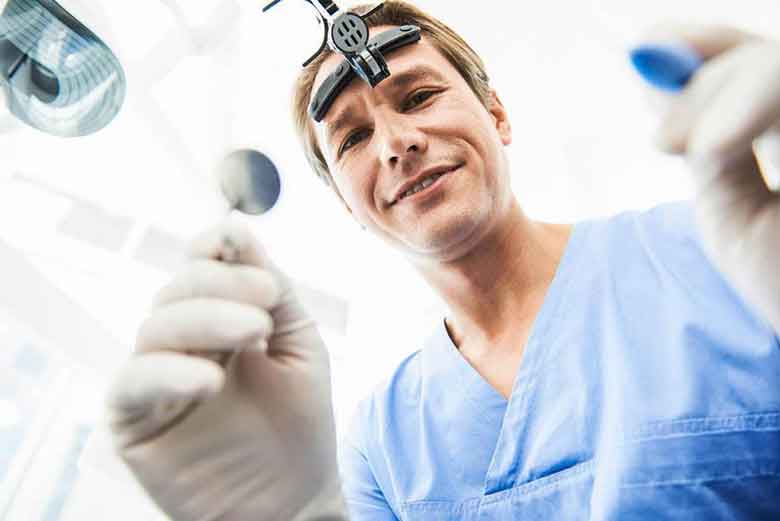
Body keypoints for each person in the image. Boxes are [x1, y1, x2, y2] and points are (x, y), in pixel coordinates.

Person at [105, 1, 780, 519]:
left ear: (497, 113)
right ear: (346, 204)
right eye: (353, 138)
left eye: (420, 97)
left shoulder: (722, 254)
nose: (397, 143)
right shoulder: (384, 447)